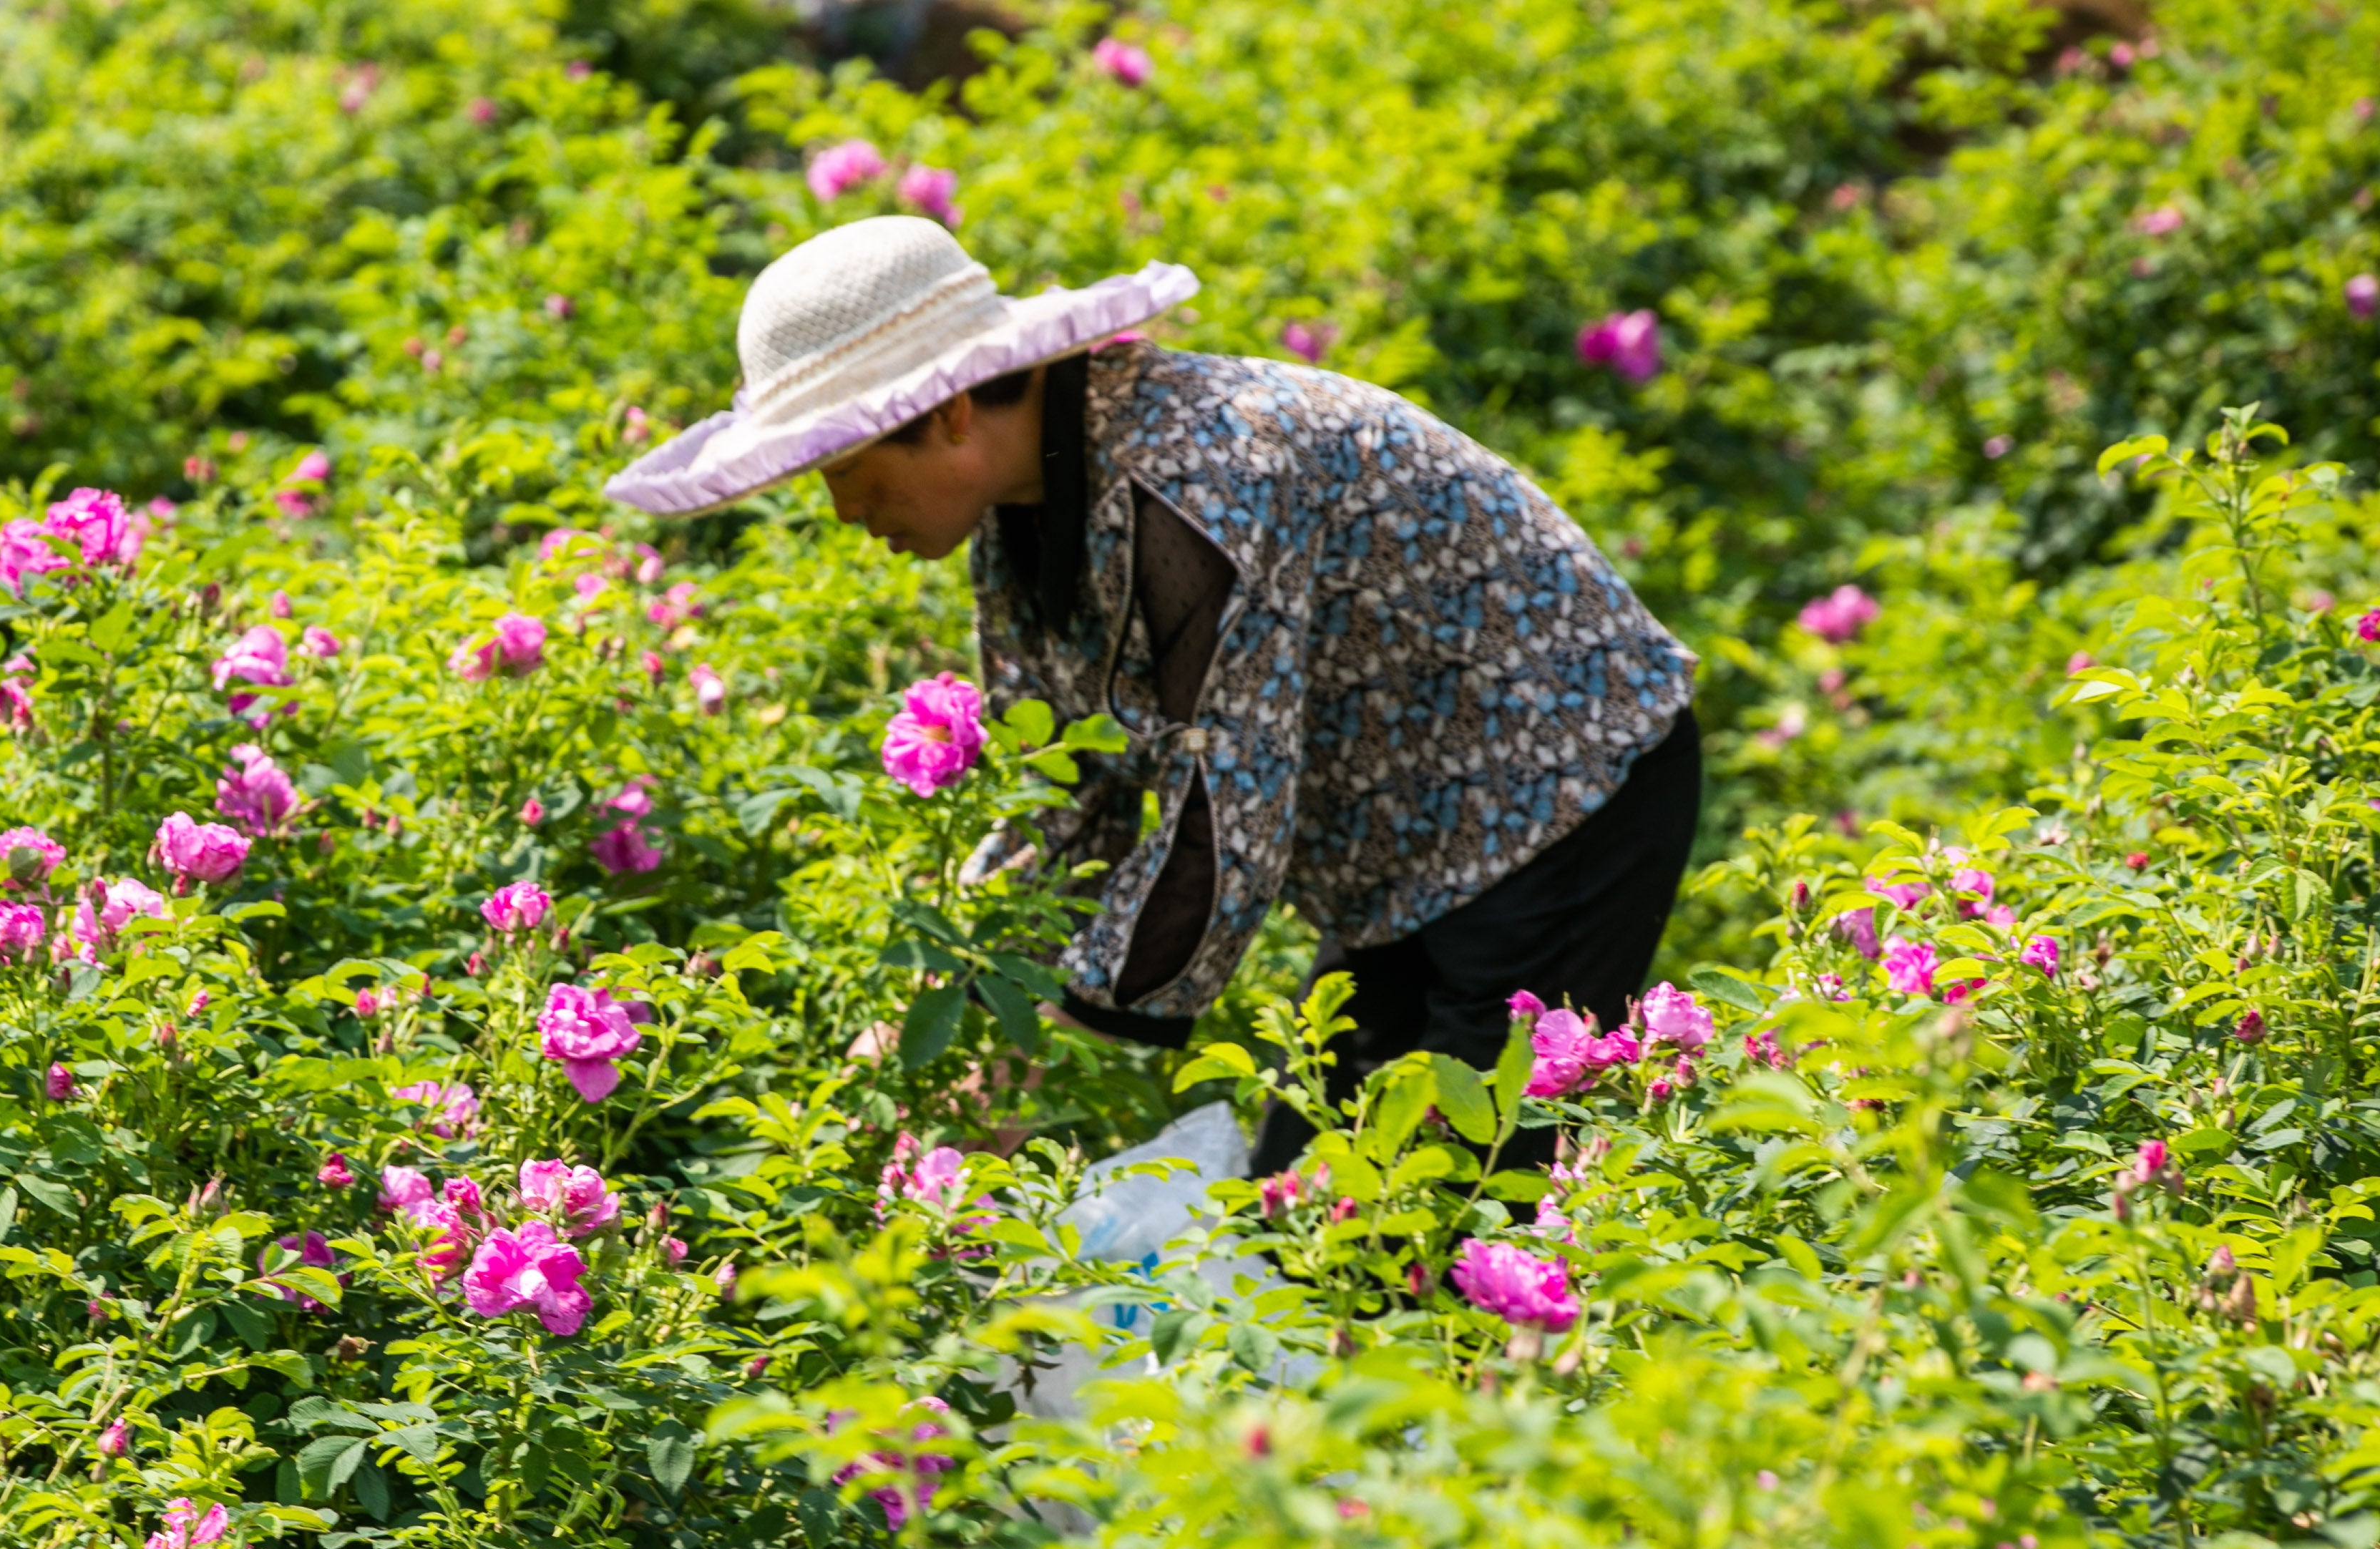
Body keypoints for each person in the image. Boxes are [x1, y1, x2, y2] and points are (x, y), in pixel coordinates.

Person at [609, 215, 1702, 1173]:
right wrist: (955, 1001)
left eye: (845, 467)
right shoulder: (1024, 510)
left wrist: (1033, 1055)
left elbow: (1221, 817)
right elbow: (1063, 791)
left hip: (1564, 792)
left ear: (944, 414)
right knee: (1312, 1221)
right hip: (1409, 842)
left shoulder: (1199, 478)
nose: (846, 510)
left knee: (1437, 1218)